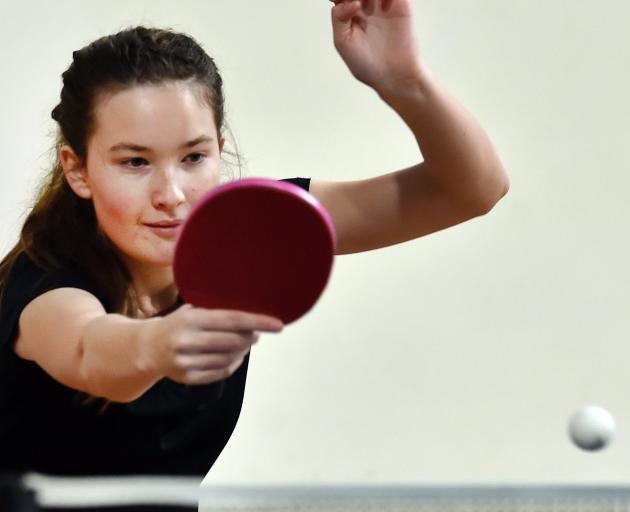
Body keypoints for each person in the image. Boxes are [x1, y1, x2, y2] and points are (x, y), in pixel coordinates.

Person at [0, 0, 509, 480]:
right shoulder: (45, 280)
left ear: (220, 150)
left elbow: (470, 190)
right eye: (135, 162)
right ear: (78, 169)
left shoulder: (251, 226)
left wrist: (405, 81)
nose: (172, 194)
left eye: (194, 157)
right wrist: (158, 343)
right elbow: (90, 353)